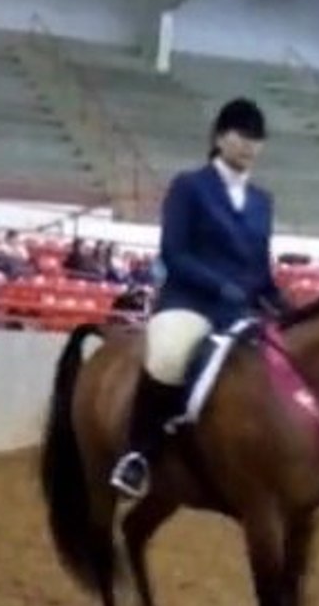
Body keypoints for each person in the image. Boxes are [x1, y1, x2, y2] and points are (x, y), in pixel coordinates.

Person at [110, 97, 289, 500]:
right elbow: (174, 253)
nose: (249, 146)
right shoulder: (189, 186)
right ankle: (138, 455)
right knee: (169, 356)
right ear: (220, 138)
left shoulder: (263, 201)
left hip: (240, 310)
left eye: (256, 139)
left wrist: (279, 299)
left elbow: (259, 265)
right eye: (241, 135)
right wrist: (219, 286)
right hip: (190, 302)